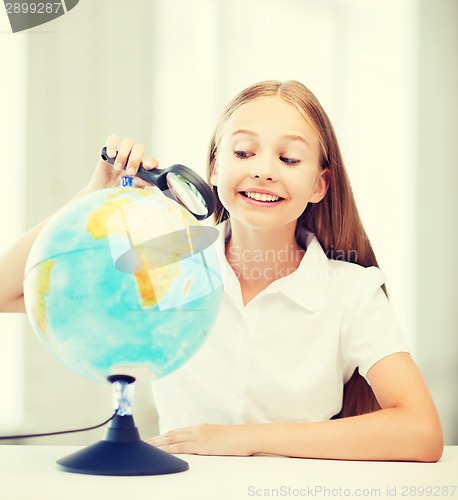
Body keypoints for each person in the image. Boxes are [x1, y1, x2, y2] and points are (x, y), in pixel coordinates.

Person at [0, 80, 443, 462]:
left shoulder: (352, 292)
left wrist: (243, 440)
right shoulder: (164, 264)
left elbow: (421, 432)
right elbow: (8, 292)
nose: (264, 171)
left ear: (319, 184)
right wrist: (92, 195)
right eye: (244, 151)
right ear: (214, 167)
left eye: (289, 159)